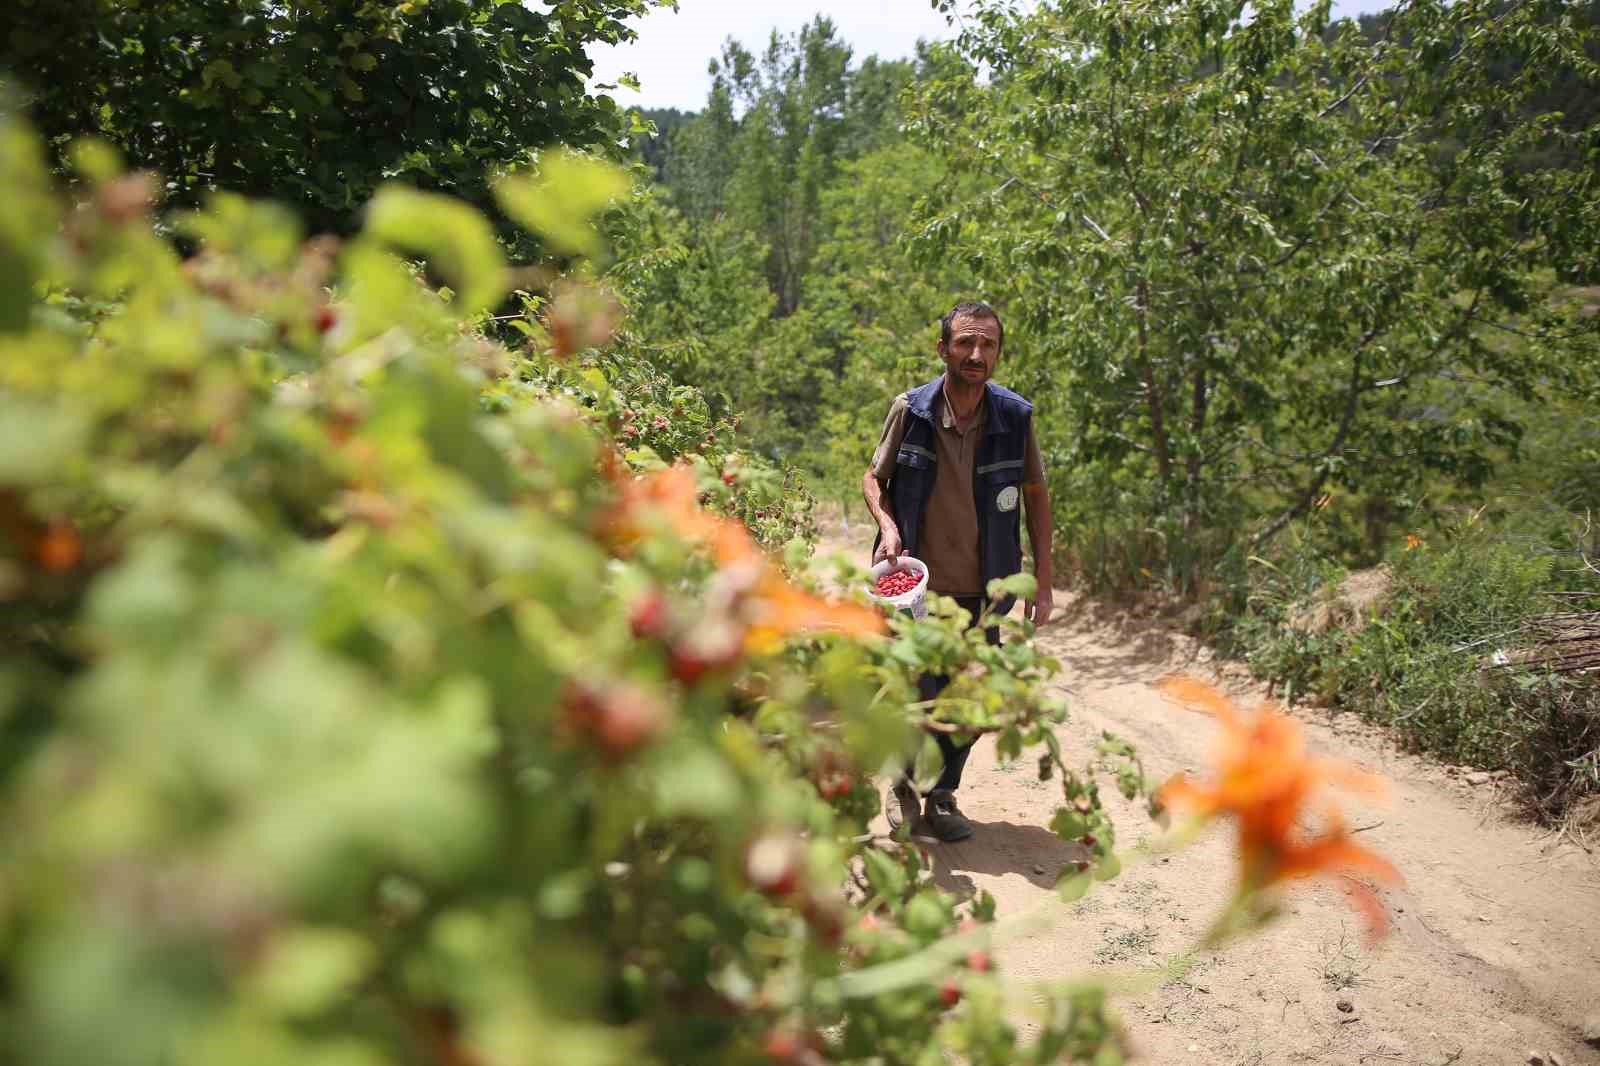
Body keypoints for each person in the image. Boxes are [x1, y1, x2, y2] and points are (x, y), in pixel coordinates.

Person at [862, 300, 1054, 842]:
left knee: (970, 697)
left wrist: (1044, 577)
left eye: (987, 345)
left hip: (984, 585)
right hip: (915, 584)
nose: (976, 354)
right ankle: (902, 786)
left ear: (997, 353)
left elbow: (1037, 497)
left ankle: (943, 794)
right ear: (942, 348)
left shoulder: (1014, 417)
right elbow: (874, 479)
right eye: (965, 343)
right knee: (913, 689)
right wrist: (888, 527)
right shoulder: (912, 409)